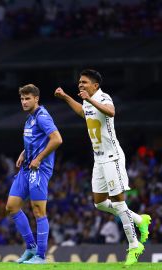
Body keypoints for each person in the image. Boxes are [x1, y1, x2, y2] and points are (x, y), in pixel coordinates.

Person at [54, 69, 151, 266]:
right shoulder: (87, 101)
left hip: (112, 157)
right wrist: (65, 98)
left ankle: (134, 245)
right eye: (79, 82)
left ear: (95, 85)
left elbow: (111, 112)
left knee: (118, 201)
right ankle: (140, 220)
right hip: (98, 159)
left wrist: (89, 99)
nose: (80, 85)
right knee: (99, 203)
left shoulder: (103, 97)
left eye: (84, 82)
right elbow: (83, 113)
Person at [6, 84, 63, 264]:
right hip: (27, 168)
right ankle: (31, 248)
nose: (24, 102)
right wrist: (24, 153)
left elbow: (57, 139)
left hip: (39, 169)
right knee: (12, 206)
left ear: (36, 99)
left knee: (39, 211)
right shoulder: (29, 118)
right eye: (22, 99)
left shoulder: (42, 116)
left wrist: (38, 158)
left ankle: (41, 256)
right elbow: (35, 139)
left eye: (27, 98)